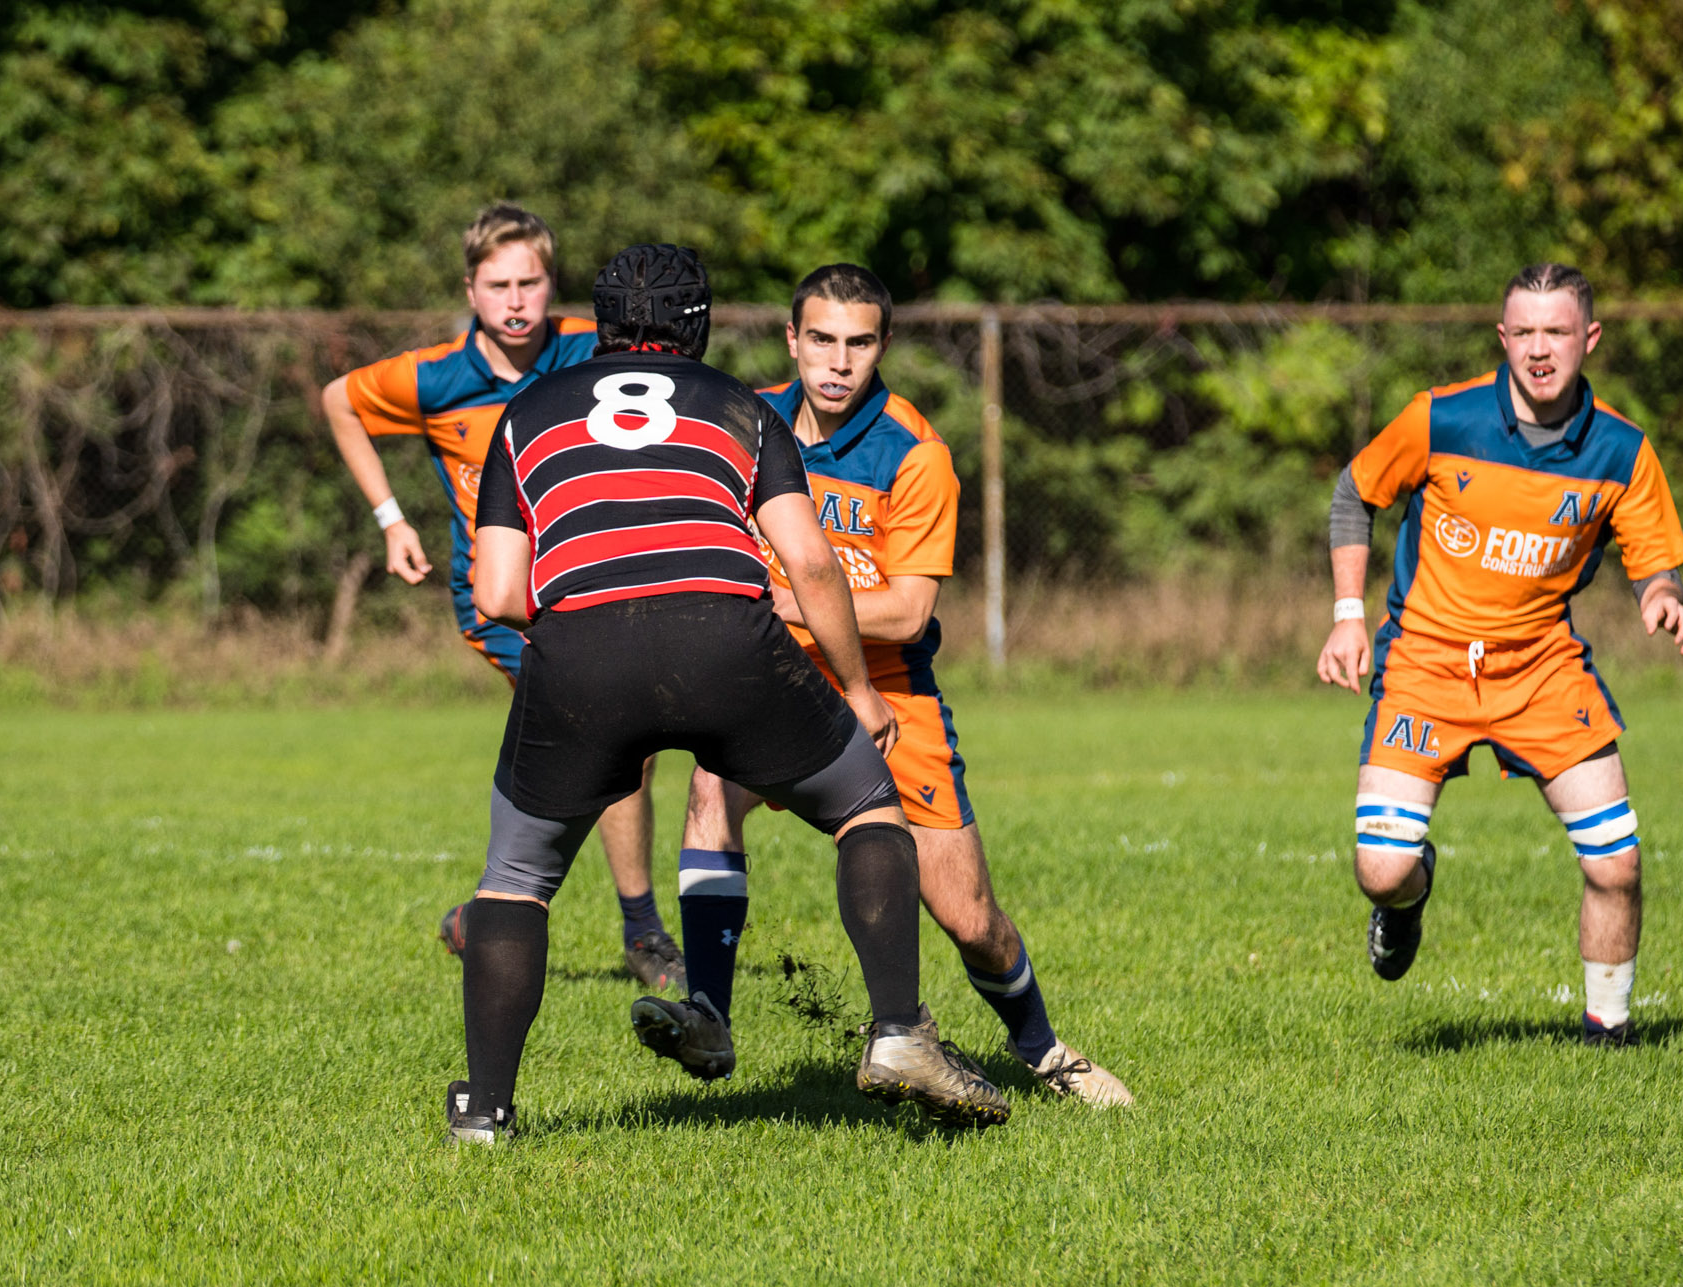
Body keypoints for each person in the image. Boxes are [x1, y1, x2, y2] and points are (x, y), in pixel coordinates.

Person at [443, 244, 1008, 1143]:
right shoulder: (740, 407)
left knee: (514, 881)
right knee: (868, 807)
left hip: (581, 652)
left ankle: (485, 1112)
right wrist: (859, 690)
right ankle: (899, 1030)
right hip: (727, 640)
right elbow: (813, 562)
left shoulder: (527, 410)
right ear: (697, 325)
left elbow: (501, 593)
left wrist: (597, 623)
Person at [673, 264, 1132, 1106]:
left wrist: (784, 594)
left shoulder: (914, 454)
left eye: (858, 343)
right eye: (820, 340)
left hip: (890, 699)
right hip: (772, 679)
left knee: (971, 919)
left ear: (882, 346)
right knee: (710, 791)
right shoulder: (746, 423)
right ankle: (709, 1010)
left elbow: (908, 613)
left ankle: (1042, 1050)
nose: (837, 362)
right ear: (792, 341)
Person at [1315, 263, 1683, 1048]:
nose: (1539, 348)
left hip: (1542, 668)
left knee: (1616, 861)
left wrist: (1660, 596)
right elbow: (1354, 492)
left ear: (1589, 338)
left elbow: (1653, 555)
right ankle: (1408, 899)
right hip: (1424, 664)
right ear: (1502, 337)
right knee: (1381, 869)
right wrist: (1348, 615)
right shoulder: (1442, 420)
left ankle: (1611, 1034)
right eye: (1523, 331)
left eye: (1557, 330)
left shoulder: (1622, 449)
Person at [321, 203, 681, 993]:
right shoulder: (437, 377)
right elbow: (338, 401)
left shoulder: (597, 349)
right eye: (497, 285)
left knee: (612, 747)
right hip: (502, 601)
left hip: (598, 584)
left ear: (553, 284)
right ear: (470, 289)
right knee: (613, 737)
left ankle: (492, 914)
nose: (516, 300)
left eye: (530, 282)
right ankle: (641, 931)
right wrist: (391, 520)